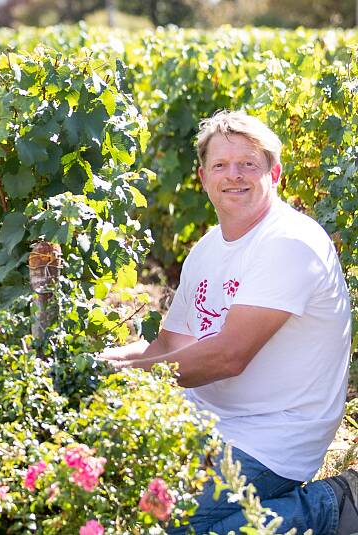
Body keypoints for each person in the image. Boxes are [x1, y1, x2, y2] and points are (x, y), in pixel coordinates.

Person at [102, 110, 355, 534]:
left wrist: (129, 375)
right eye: (220, 165)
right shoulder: (207, 249)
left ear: (274, 173)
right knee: (118, 498)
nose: (233, 176)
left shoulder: (290, 243)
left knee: (171, 526)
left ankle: (333, 507)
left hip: (275, 439)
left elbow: (227, 357)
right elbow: (166, 348)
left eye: (248, 165)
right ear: (203, 177)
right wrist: (100, 364)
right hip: (205, 419)